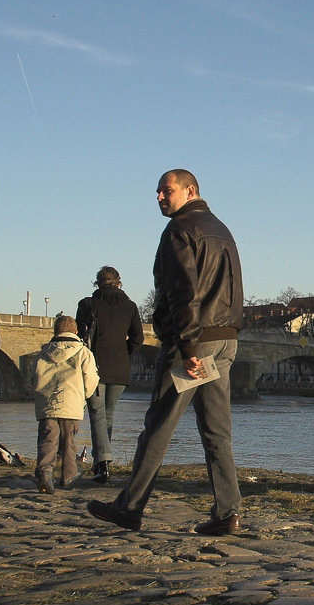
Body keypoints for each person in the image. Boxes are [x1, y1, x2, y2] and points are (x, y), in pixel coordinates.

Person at [88, 169, 244, 535]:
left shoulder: (179, 230)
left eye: (166, 190)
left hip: (192, 343)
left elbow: (182, 291)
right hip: (224, 341)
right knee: (216, 431)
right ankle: (228, 513)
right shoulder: (222, 230)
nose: (159, 196)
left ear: (190, 191)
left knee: (158, 425)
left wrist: (187, 345)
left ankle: (130, 507)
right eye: (157, 191)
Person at [76, 265, 144, 484]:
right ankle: (103, 459)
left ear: (97, 283)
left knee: (97, 413)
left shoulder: (87, 304)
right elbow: (138, 338)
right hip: (120, 367)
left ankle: (102, 464)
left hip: (94, 366)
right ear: (118, 282)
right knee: (108, 414)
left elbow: (79, 335)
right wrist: (124, 352)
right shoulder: (131, 307)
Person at [28, 315, 99, 494]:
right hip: (72, 402)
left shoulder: (42, 353)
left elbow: (32, 379)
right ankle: (69, 474)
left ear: (55, 332)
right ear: (75, 332)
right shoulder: (83, 352)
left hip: (47, 403)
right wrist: (84, 395)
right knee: (69, 440)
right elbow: (90, 378)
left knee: (47, 439)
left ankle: (45, 472)